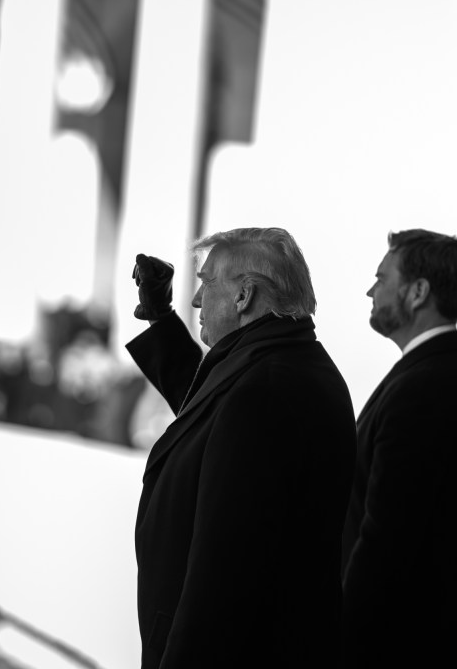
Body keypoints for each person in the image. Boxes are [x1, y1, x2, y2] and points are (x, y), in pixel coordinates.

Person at [128, 227, 356, 669]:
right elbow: (210, 409)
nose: (195, 299)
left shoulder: (268, 389)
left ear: (244, 295)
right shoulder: (282, 363)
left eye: (207, 282)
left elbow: (220, 576)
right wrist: (159, 317)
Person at [341, 229, 457, 668]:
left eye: (381, 278)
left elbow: (384, 543)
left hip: (403, 647)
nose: (370, 290)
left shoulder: (426, 389)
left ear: (417, 292)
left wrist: (335, 640)